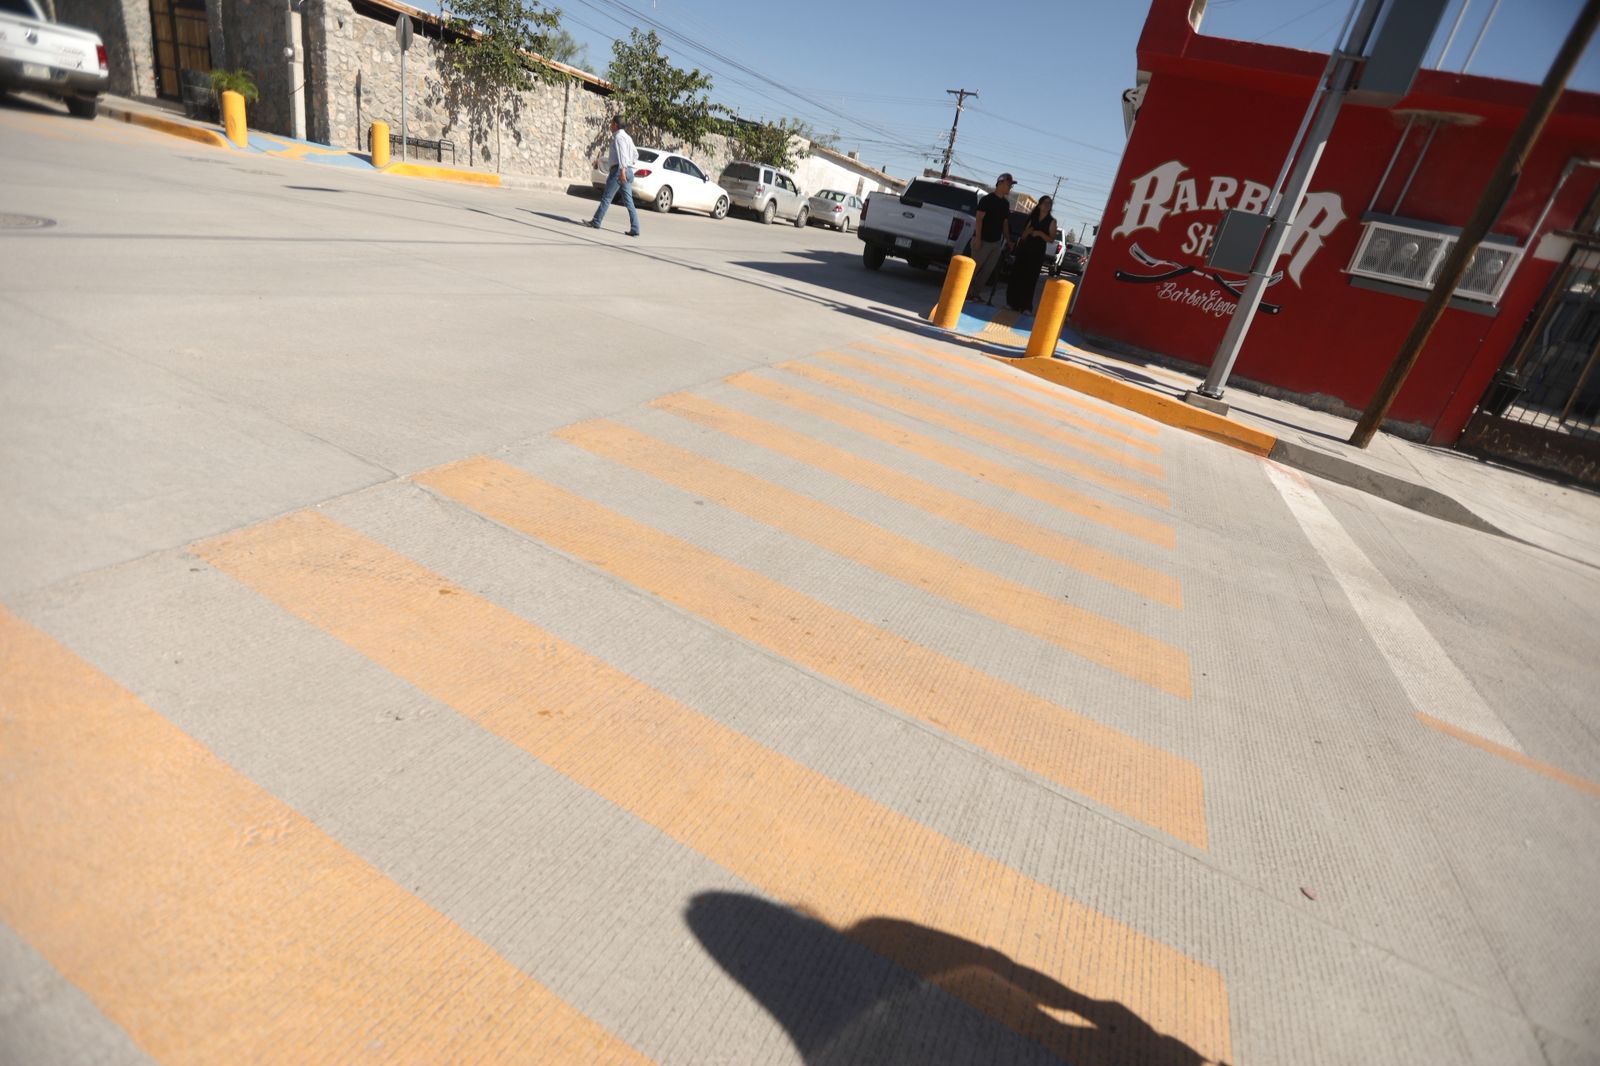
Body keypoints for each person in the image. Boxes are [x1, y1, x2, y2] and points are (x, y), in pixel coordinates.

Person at [588, 115, 640, 237]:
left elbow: (622, 155)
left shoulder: (619, 137)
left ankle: (596, 221)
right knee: (629, 201)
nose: (610, 126)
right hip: (627, 170)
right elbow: (635, 154)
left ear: (615, 125)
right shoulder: (627, 137)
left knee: (607, 197)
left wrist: (622, 170)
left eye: (611, 123)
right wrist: (628, 166)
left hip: (619, 171)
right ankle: (635, 228)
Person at [1007, 195, 1058, 313]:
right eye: (1045, 202)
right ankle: (1012, 303)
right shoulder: (1032, 217)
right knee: (1017, 276)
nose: (1047, 205)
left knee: (1030, 279)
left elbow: (1051, 239)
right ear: (1039, 204)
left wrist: (1040, 233)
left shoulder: (1051, 221)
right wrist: (1028, 232)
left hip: (1037, 253)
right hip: (1025, 250)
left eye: (1049, 203)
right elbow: (1023, 236)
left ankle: (1026, 306)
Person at [968, 173, 1014, 301]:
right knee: (974, 268)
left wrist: (1008, 240)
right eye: (1009, 184)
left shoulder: (1005, 204)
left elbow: (1005, 223)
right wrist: (978, 238)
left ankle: (975, 293)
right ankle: (964, 291)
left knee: (988, 270)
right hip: (982, 240)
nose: (1010, 187)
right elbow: (979, 219)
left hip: (996, 243)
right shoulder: (987, 199)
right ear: (1000, 183)